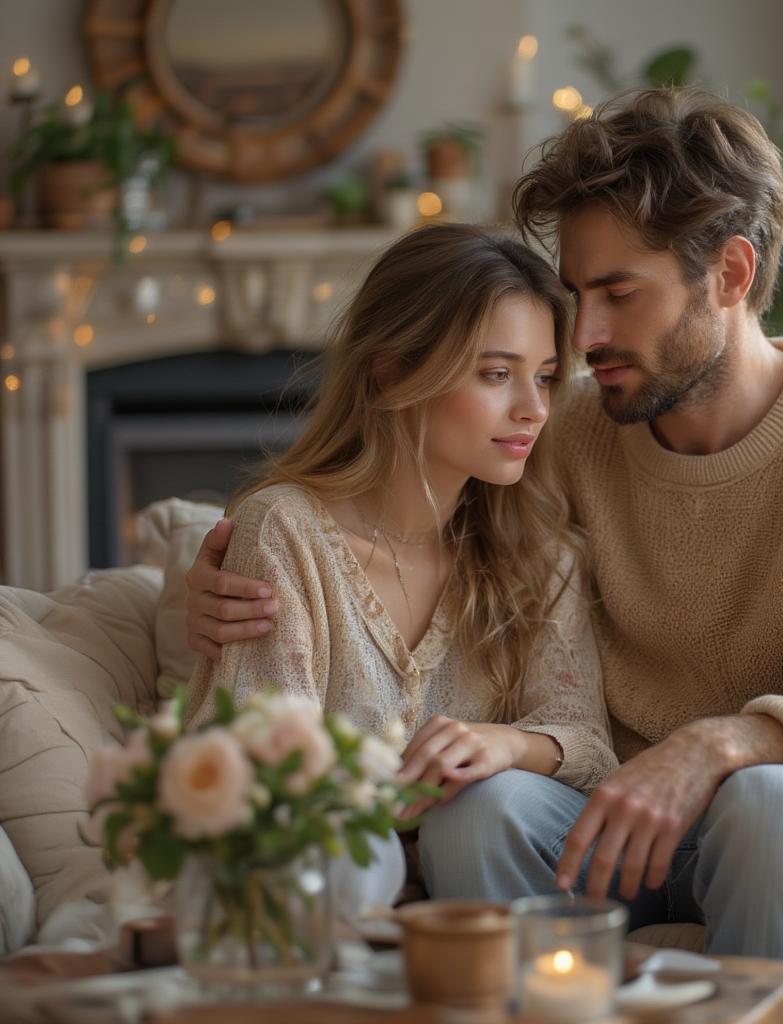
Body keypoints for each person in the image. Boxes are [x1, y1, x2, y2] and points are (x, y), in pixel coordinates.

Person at [185, 90, 783, 1024]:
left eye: (618, 294)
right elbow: (384, 504)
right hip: (614, 821)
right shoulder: (570, 427)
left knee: (766, 805)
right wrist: (202, 596)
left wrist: (716, 745)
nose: (581, 339)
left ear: (730, 273)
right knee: (483, 810)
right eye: (577, 293)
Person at [185, 222, 618, 829]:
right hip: (318, 887)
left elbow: (590, 749)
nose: (535, 408)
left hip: (473, 890)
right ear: (391, 371)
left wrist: (505, 744)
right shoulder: (286, 533)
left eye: (545, 376)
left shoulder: (541, 557)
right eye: (496, 373)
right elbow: (262, 779)